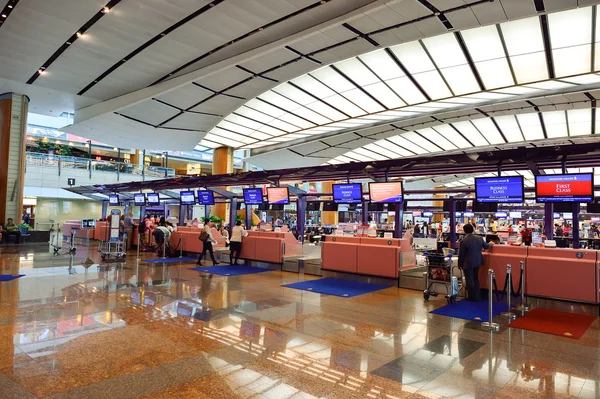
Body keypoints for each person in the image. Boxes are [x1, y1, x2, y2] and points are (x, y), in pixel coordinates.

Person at [458, 223, 493, 302]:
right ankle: (478, 296)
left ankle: (472, 297)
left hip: (468, 263)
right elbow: (487, 246)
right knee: (476, 279)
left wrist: (460, 264)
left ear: (464, 231)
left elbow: (461, 255)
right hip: (477, 261)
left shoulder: (464, 241)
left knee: (470, 280)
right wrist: (491, 244)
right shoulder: (479, 238)